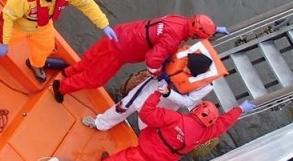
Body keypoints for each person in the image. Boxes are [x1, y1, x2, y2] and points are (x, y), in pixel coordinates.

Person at [63, 84, 256, 161]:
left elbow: (146, 113)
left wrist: (157, 94)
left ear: (196, 110)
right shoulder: (206, 133)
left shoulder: (176, 118)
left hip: (142, 154)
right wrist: (240, 109)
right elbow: (223, 124)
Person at [53, 13, 230, 102]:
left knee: (90, 58)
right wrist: (159, 75)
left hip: (120, 33)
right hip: (121, 50)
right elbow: (152, 60)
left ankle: (68, 71)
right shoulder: (172, 39)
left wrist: (214, 30)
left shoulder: (179, 20)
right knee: (95, 78)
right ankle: (61, 87)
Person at [83, 49, 222, 131]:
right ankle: (100, 123)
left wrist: (168, 93)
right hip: (151, 87)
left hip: (165, 103)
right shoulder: (185, 56)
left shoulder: (205, 86)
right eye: (185, 64)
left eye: (188, 68)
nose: (184, 67)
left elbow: (188, 101)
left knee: (146, 127)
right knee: (124, 105)